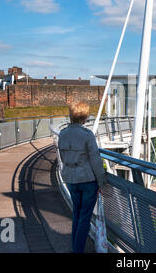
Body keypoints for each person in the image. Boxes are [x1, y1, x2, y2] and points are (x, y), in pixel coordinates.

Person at [58, 102, 107, 253]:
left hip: (71, 180)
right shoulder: (87, 135)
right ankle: (77, 250)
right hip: (87, 181)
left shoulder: (62, 134)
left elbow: (63, 156)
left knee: (77, 214)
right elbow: (96, 161)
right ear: (84, 117)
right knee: (85, 218)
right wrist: (102, 183)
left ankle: (75, 248)